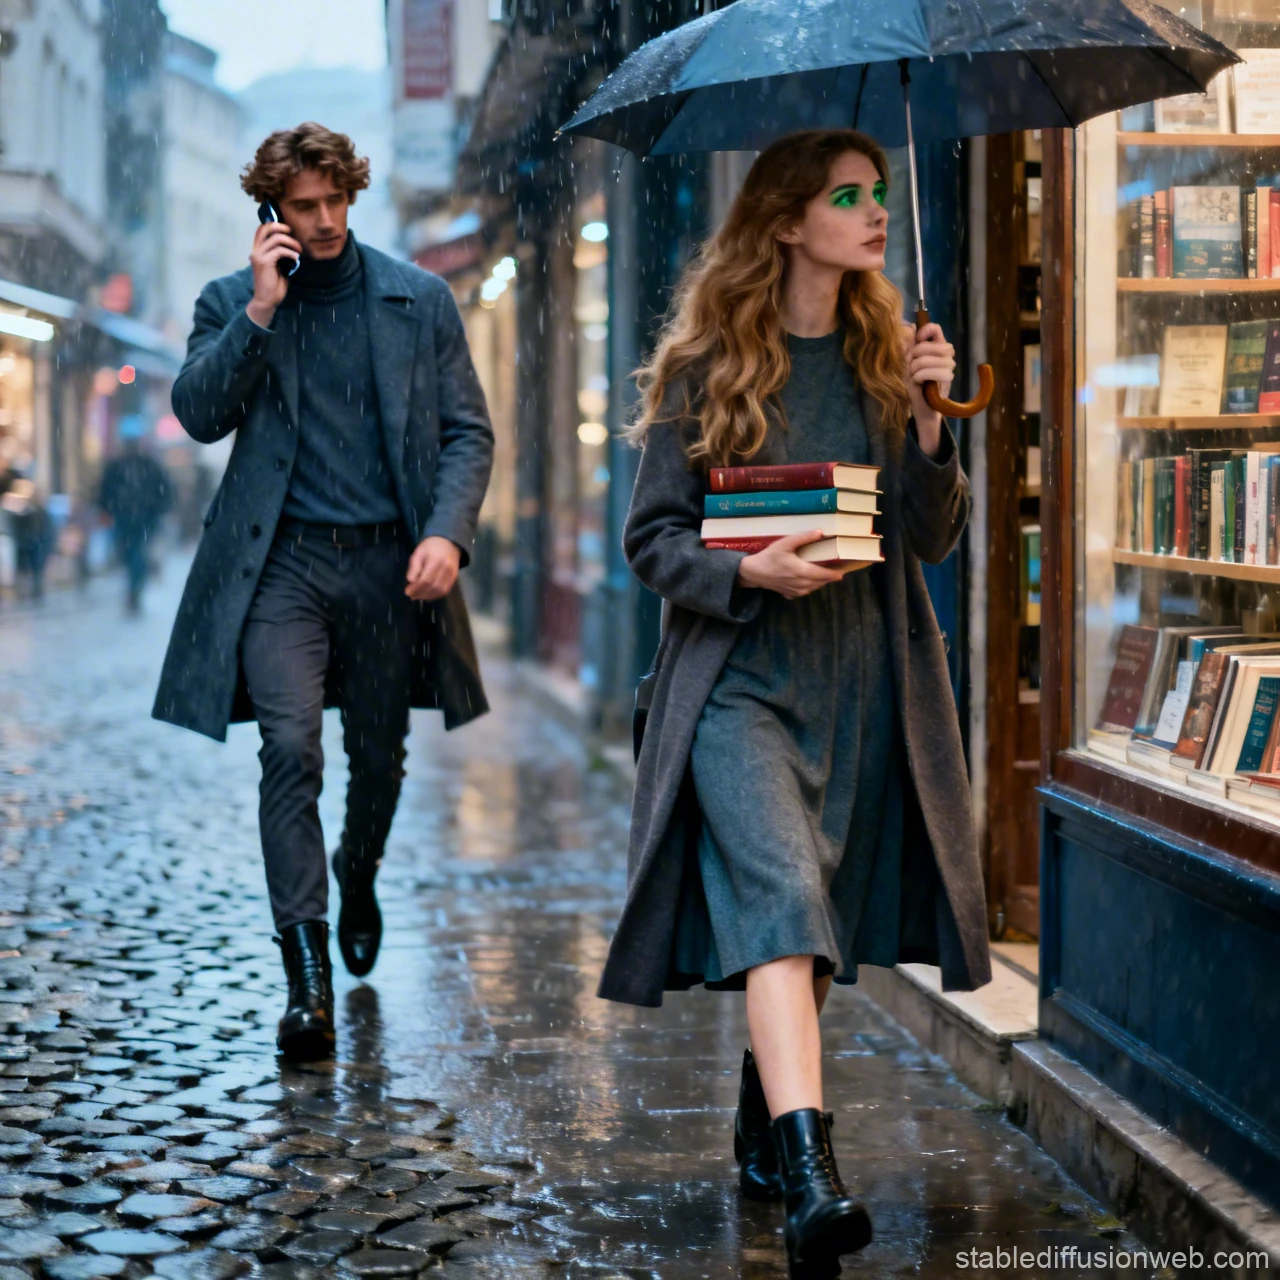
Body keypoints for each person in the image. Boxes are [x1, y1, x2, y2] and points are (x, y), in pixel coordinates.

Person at [603, 130, 992, 1278]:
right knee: (779, 888)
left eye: (879, 196)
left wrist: (930, 425)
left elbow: (926, 535)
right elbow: (649, 538)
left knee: (809, 922)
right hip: (734, 678)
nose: (875, 214)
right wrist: (745, 573)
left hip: (862, 677)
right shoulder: (704, 365)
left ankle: (762, 1109)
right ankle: (815, 1170)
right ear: (785, 220)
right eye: (848, 197)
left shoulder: (889, 357)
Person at [152, 123, 494, 1061]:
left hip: (392, 566)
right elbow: (197, 413)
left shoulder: (416, 298)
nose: (328, 220)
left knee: (377, 758)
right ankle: (306, 979)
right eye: (306, 207)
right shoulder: (231, 301)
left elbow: (470, 432)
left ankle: (359, 866)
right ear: (270, 211)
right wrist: (260, 312)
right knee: (291, 749)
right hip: (281, 568)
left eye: (338, 201)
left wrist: (445, 534)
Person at [98, 418, 174, 613]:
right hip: (126, 519)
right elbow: (104, 492)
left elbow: (165, 492)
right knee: (129, 555)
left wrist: (158, 512)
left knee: (136, 555)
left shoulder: (149, 466)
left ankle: (134, 589)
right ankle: (134, 587)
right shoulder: (118, 467)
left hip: (143, 521)